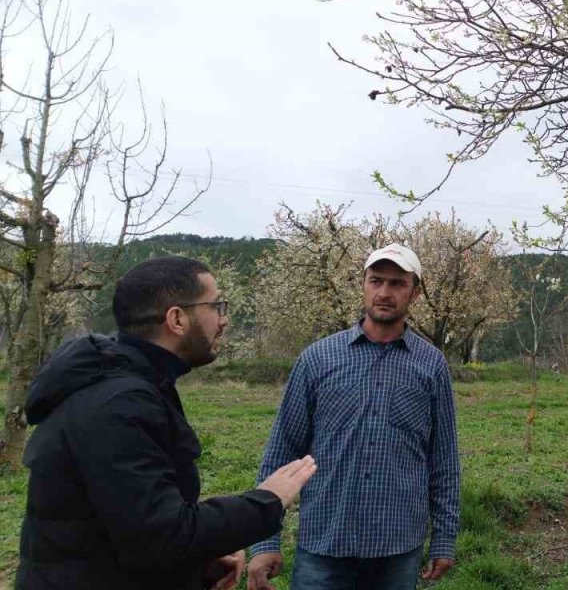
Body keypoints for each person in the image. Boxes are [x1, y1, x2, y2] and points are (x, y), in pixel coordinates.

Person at [17, 256, 317, 590]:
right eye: (217, 305)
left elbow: (129, 528)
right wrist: (266, 500)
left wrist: (194, 565)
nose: (224, 319)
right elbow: (161, 536)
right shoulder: (117, 405)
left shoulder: (136, 385)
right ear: (177, 319)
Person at [248, 243, 461, 590]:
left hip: (397, 547)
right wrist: (265, 540)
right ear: (363, 284)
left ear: (415, 293)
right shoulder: (318, 359)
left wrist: (444, 538)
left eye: (397, 284)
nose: (384, 293)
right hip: (325, 543)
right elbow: (282, 450)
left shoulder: (431, 365)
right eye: (376, 281)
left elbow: (444, 458)